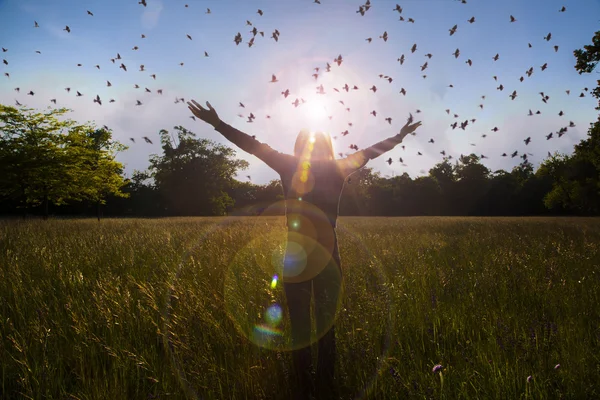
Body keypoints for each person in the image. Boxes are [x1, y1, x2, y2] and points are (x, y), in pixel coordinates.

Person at [187, 100, 421, 399]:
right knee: (316, 325)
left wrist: (218, 123)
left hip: (304, 255)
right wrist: (218, 124)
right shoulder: (332, 167)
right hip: (315, 254)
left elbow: (371, 151)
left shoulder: (295, 164)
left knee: (310, 325)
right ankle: (316, 385)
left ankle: (311, 386)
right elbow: (252, 145)